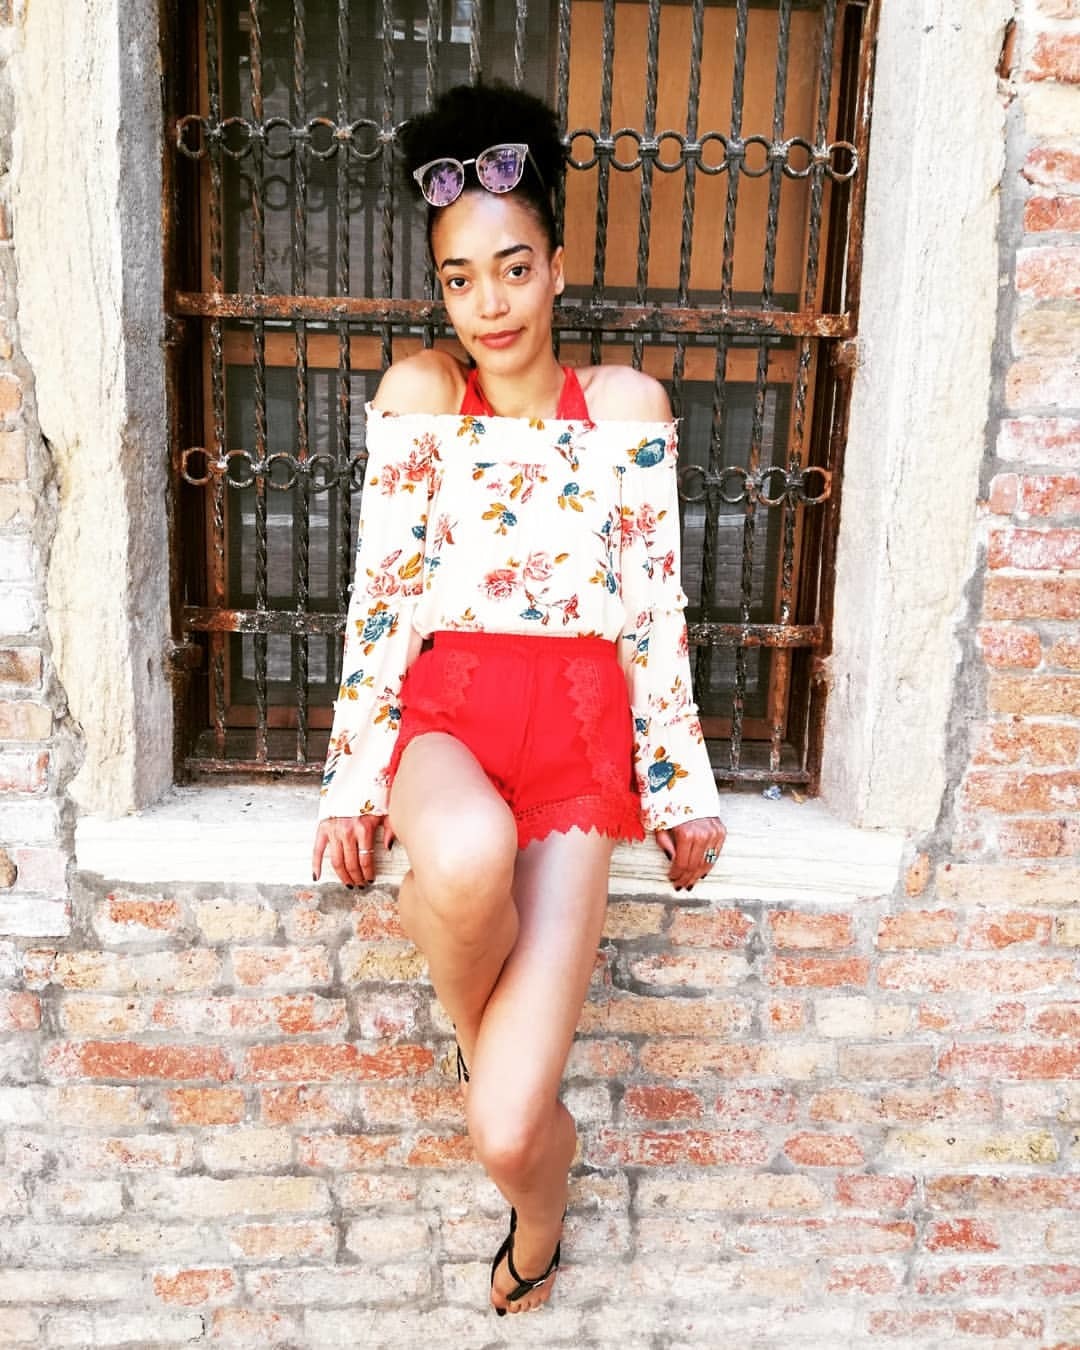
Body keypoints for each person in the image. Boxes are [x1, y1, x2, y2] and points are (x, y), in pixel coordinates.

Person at [311, 82, 726, 1318]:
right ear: (440, 290)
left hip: (581, 749)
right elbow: (383, 595)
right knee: (462, 851)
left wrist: (680, 788)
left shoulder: (626, 408)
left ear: (555, 266)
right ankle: (505, 1060)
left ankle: (538, 1213)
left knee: (505, 1128)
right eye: (460, 279)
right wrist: (351, 784)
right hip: (450, 718)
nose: (488, 305)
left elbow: (652, 609)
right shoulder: (425, 397)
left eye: (512, 269)